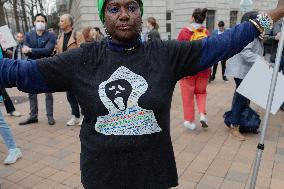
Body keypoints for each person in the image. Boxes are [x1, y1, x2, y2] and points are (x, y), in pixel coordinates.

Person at [1, 0, 284, 188]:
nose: (123, 14)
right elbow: (20, 73)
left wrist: (275, 13)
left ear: (140, 13)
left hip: (152, 174)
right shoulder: (82, 59)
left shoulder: (165, 54)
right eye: (114, 8)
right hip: (103, 176)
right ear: (104, 16)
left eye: (131, 6)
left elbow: (224, 43)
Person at [225, 11, 264, 141]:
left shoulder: (253, 34)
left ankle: (242, 122)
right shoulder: (249, 35)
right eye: (260, 20)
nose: (263, 23)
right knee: (241, 98)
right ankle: (234, 126)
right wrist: (261, 60)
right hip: (241, 72)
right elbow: (245, 52)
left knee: (244, 98)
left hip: (246, 71)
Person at [19, 13, 57, 126]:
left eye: (42, 21)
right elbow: (25, 50)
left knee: (48, 92)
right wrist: (32, 50)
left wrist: (31, 50)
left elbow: (47, 51)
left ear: (45, 23)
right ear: (34, 22)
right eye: (38, 20)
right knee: (31, 92)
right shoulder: (29, 35)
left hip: (46, 66)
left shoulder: (50, 36)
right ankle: (33, 116)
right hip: (31, 66)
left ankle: (50, 116)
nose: (40, 23)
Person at [177, 8, 211, 130]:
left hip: (188, 70)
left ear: (192, 17)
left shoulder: (184, 32)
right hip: (204, 69)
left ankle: (189, 121)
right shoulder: (207, 32)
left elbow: (178, 52)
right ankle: (202, 114)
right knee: (201, 93)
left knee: (188, 96)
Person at [57, 14, 85, 126]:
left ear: (69, 22)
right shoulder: (60, 37)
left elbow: (83, 51)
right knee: (70, 95)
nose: (60, 23)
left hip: (77, 69)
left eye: (62, 21)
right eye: (60, 21)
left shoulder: (77, 34)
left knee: (80, 94)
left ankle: (84, 115)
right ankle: (75, 116)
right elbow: (59, 53)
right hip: (66, 70)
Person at [0, 43, 21, 117]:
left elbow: (6, 54)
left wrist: (5, 50)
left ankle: (11, 110)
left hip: (1, 67)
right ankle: (11, 110)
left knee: (2, 90)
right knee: (2, 90)